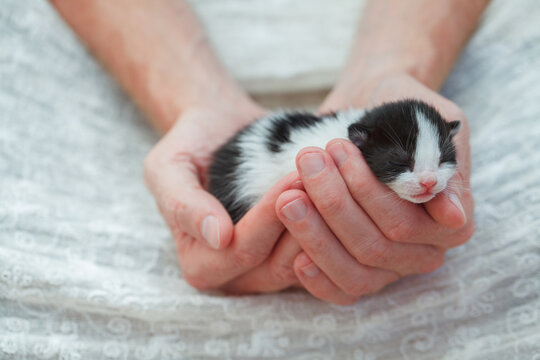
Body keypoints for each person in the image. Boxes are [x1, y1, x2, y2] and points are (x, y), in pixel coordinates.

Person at [51, 0, 485, 305]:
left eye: (442, 160)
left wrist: (396, 69)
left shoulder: (369, 141)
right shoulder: (337, 145)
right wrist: (195, 101)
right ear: (359, 140)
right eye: (407, 165)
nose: (430, 180)